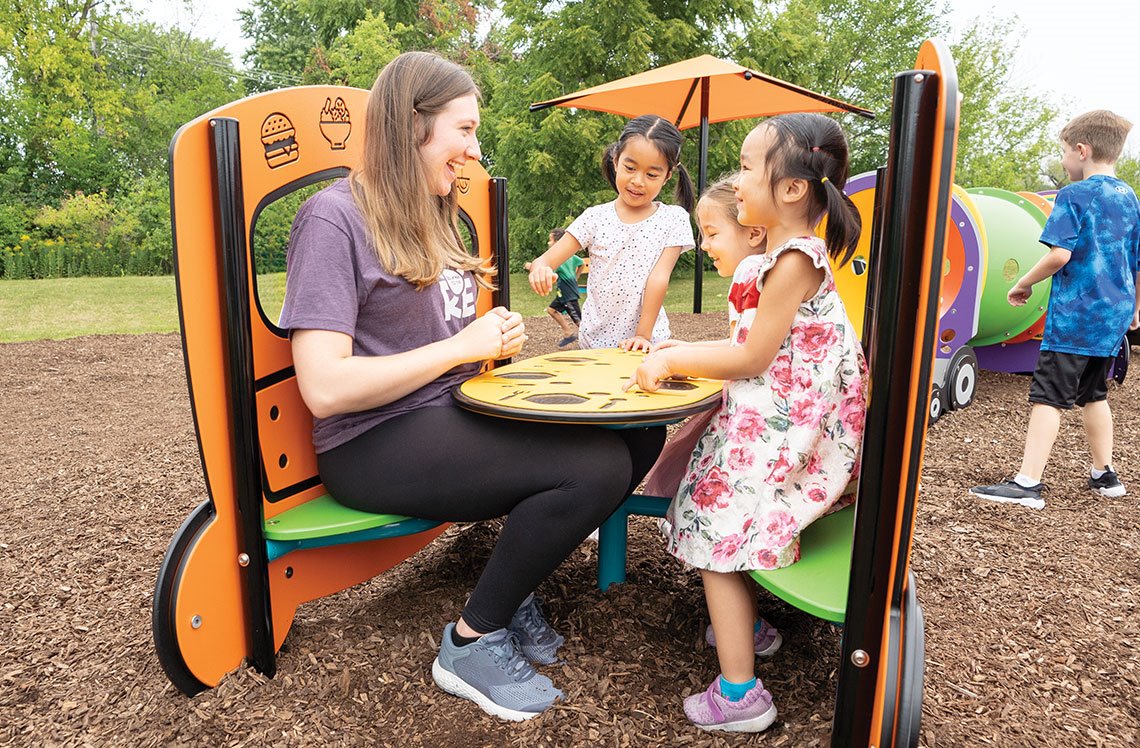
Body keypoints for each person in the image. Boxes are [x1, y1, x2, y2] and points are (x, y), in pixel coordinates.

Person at [277, 51, 665, 722]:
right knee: (593, 466)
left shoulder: (436, 213)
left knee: (637, 435)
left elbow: (440, 349)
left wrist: (492, 344)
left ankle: (510, 586)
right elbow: (326, 387)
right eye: (465, 129)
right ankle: (471, 639)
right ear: (411, 125)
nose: (475, 148)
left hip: (443, 414)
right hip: (370, 441)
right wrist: (459, 347)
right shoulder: (332, 220)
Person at [626, 114, 867, 733]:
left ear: (790, 188)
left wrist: (675, 355)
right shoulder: (779, 255)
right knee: (706, 484)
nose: (735, 183)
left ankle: (741, 696)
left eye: (747, 166)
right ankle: (748, 629)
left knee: (716, 529)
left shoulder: (795, 258)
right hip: (774, 417)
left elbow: (755, 357)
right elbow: (759, 348)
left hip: (788, 433)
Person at [970, 110, 1140, 510]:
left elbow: (1060, 255)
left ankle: (1027, 483)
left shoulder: (1075, 195)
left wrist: (1023, 283)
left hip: (1076, 316)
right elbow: (1135, 260)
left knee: (1048, 397)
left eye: (1064, 152)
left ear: (1082, 150)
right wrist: (1135, 307)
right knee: (1094, 393)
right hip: (1113, 314)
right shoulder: (1128, 197)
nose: (1064, 161)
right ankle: (1105, 475)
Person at [528, 114, 696, 352]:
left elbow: (658, 278)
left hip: (648, 343)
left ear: (668, 175)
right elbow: (545, 260)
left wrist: (643, 336)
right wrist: (540, 270)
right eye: (630, 167)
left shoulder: (673, 219)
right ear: (616, 161)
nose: (638, 181)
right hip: (595, 344)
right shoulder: (595, 217)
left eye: (652, 174)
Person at [524, 228, 583, 347]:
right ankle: (568, 333)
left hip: (568, 293)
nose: (548, 243)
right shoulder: (571, 256)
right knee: (552, 310)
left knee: (579, 322)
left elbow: (548, 271)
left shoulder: (560, 259)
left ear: (557, 243)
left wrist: (529, 266)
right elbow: (581, 262)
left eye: (550, 240)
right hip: (563, 293)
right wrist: (576, 276)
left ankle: (592, 340)